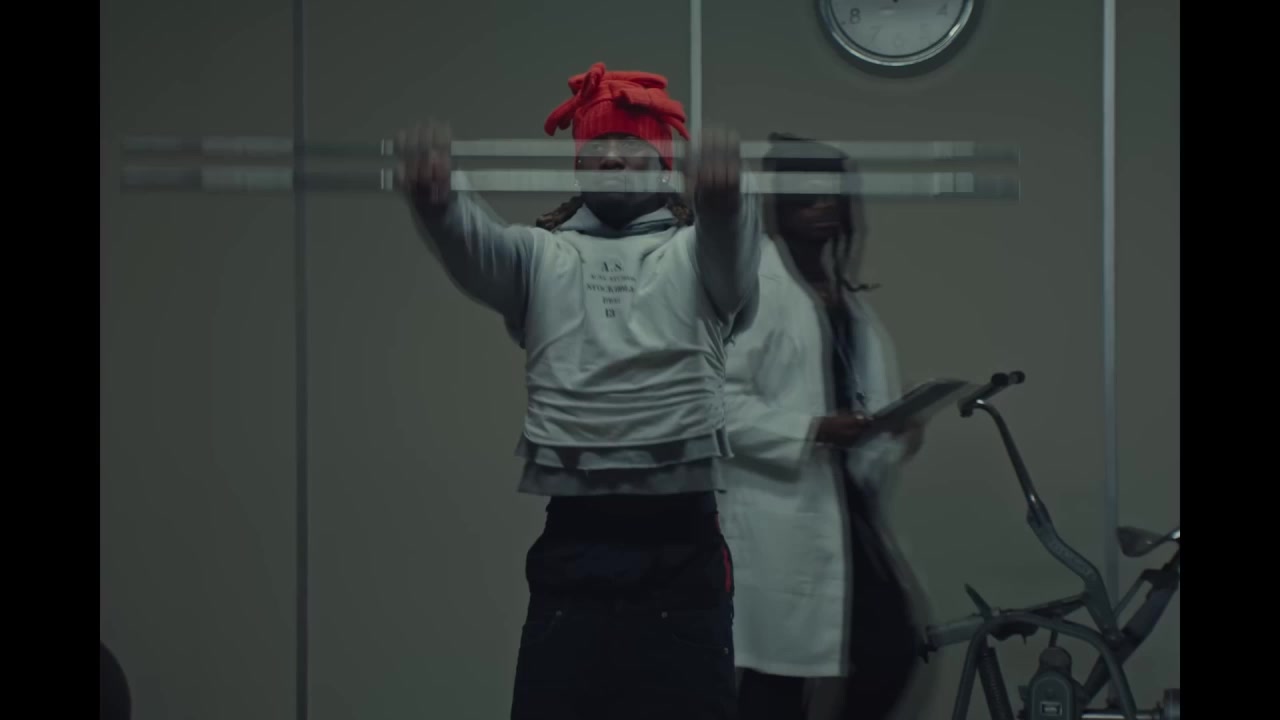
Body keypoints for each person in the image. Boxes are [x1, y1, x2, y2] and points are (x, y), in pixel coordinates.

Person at [398, 62, 760, 719]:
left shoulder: (696, 253)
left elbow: (730, 252)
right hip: (576, 550)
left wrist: (726, 203)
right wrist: (438, 199)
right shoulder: (539, 254)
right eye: (598, 147)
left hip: (682, 552)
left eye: (631, 146)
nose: (613, 158)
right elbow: (474, 247)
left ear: (664, 164)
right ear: (576, 164)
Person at [718, 133, 926, 720]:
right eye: (807, 198)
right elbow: (714, 403)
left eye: (832, 196)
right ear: (778, 208)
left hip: (846, 505)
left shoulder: (843, 299)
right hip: (781, 509)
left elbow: (859, 394)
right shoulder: (755, 285)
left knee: (887, 652)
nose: (823, 208)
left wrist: (895, 428)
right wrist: (812, 430)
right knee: (774, 682)